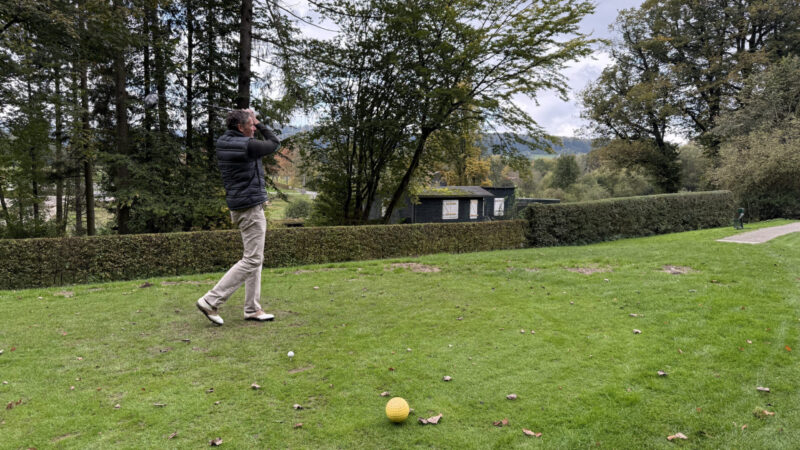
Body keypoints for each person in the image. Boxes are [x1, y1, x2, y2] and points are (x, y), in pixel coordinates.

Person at [196, 109, 280, 325]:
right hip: (250, 208)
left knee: (255, 258)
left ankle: (252, 308)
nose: (254, 128)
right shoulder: (247, 145)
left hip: (242, 206)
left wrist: (251, 120)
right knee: (252, 259)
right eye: (251, 125)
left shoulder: (225, 141)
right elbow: (273, 143)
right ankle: (211, 300)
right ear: (240, 127)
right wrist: (261, 123)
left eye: (254, 125)